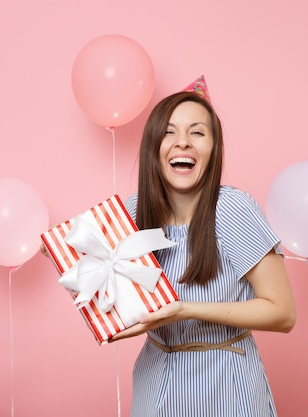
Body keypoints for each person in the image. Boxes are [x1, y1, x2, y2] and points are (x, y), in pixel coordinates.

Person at [110, 76, 297, 417]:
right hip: (155, 383)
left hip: (224, 385)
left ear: (214, 149)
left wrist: (186, 309)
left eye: (197, 132)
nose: (182, 142)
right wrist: (68, 258)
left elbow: (283, 313)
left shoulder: (233, 209)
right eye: (169, 132)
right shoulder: (132, 212)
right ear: (153, 146)